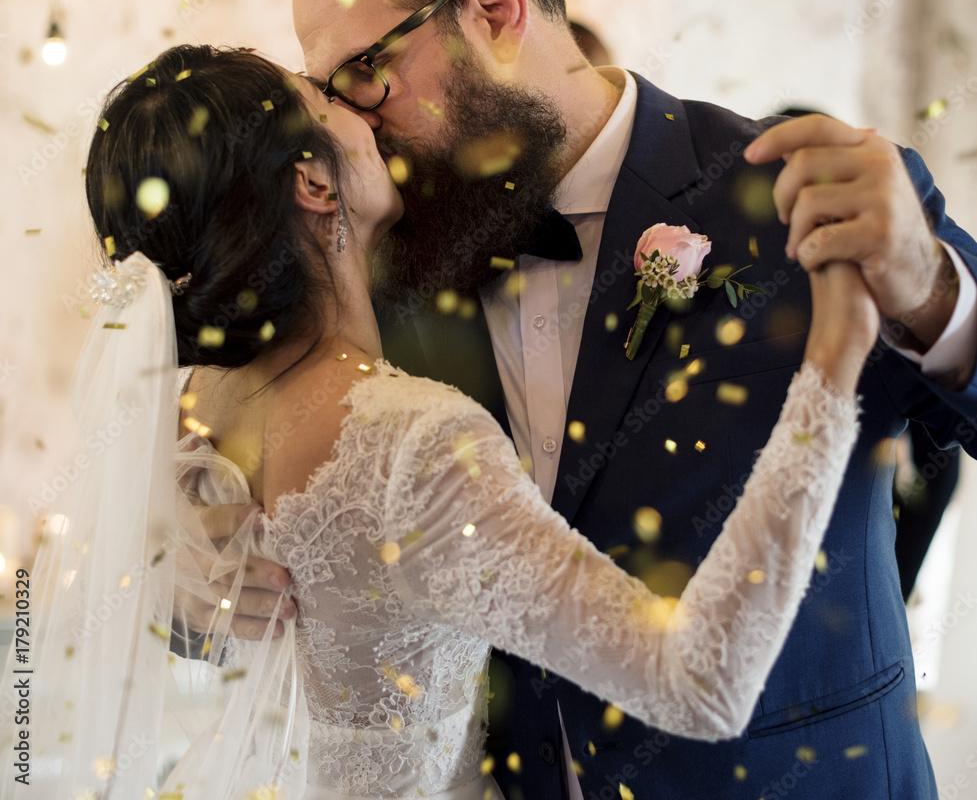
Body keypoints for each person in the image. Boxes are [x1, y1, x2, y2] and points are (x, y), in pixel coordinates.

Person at [201, 0, 976, 800]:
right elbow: (241, 465)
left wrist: (931, 293)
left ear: (492, 10)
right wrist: (198, 573)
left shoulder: (786, 191)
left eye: (365, 72)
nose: (354, 122)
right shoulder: (373, 263)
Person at [0, 45, 873, 800]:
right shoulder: (407, 441)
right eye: (324, 99)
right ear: (311, 181)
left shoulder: (191, 404)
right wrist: (831, 368)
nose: (357, 104)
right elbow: (699, 683)